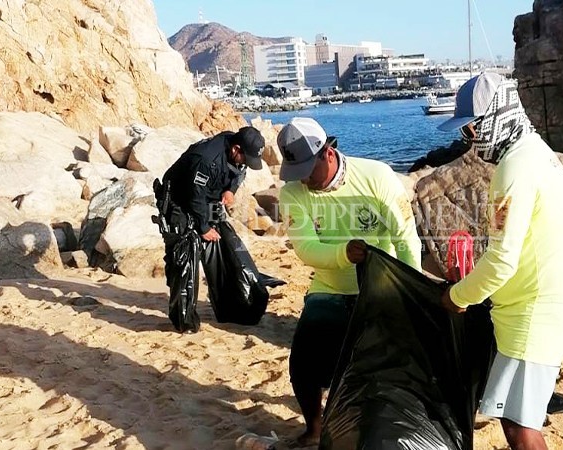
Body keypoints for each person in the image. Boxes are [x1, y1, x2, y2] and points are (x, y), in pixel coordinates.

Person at [437, 73, 563, 450]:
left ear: (494, 119)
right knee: (516, 415)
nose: (469, 139)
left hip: (534, 310)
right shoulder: (536, 152)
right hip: (542, 302)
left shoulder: (514, 168)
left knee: (520, 426)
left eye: (472, 129)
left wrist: (458, 296)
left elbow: (503, 259)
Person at [277, 117, 422, 446]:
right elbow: (305, 249)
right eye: (294, 172)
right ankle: (314, 427)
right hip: (328, 288)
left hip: (378, 286)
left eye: (306, 171)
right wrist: (344, 253)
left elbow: (406, 240)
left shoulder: (376, 177)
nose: (303, 181)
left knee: (380, 365)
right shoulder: (292, 194)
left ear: (327, 153)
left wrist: (407, 292)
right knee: (303, 362)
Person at [156, 126, 266, 332]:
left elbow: (239, 172)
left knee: (221, 249)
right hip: (179, 201)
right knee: (184, 257)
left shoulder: (237, 153)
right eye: (246, 158)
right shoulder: (206, 159)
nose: (247, 163)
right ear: (236, 149)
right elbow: (194, 196)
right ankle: (184, 320)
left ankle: (229, 309)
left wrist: (230, 190)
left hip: (209, 200)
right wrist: (204, 228)